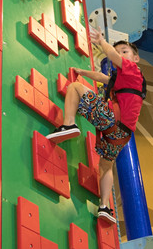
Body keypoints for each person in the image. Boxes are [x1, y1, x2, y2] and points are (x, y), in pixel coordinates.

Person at [46, 28, 145, 224]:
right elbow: (103, 78)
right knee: (106, 166)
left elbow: (112, 56)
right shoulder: (125, 79)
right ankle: (105, 206)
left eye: (125, 51)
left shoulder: (133, 70)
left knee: (75, 88)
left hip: (112, 120)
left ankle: (69, 124)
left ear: (136, 58)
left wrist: (101, 41)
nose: (120, 54)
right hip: (121, 135)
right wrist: (83, 72)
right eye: (119, 51)